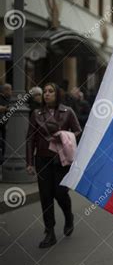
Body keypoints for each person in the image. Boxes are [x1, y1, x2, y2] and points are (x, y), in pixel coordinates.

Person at [26, 83, 82, 248]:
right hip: (42, 159)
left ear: (57, 94)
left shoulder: (68, 111)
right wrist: (29, 162)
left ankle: (68, 216)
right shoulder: (36, 113)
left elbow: (78, 131)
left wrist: (64, 135)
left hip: (61, 159)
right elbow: (30, 138)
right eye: (45, 92)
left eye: (51, 91)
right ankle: (49, 232)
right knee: (45, 196)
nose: (47, 94)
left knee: (60, 192)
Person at [0, 83, 12, 161]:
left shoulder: (10, 98)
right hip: (2, 123)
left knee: (4, 142)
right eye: (10, 90)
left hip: (6, 124)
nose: (11, 91)